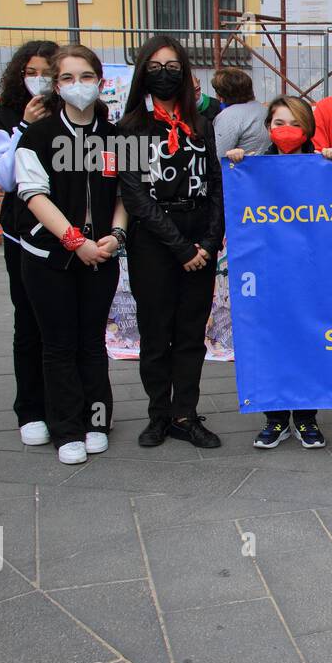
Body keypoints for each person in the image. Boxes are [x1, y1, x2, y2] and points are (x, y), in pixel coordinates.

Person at [13, 44, 127, 465]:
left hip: (102, 255)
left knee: (93, 342)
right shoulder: (37, 136)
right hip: (49, 257)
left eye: (85, 77)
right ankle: (66, 429)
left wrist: (116, 235)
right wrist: (75, 242)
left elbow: (123, 195)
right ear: (55, 85)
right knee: (58, 344)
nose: (77, 86)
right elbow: (33, 194)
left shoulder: (114, 137)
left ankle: (96, 418)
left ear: (99, 82)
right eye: (67, 78)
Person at [118, 35, 226, 450]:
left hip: (199, 234)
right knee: (155, 331)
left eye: (173, 67)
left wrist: (210, 241)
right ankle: (158, 414)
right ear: (143, 73)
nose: (165, 74)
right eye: (156, 67)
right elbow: (134, 194)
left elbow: (216, 184)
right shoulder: (128, 127)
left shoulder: (203, 124)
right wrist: (180, 248)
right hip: (155, 243)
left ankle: (186, 413)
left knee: (189, 334)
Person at [233, 96, 332, 451]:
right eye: (278, 123)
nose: (286, 131)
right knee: (271, 342)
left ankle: (307, 418)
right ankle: (276, 418)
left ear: (308, 128)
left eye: (294, 123)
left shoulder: (321, 165)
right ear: (268, 128)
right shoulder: (254, 168)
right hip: (269, 274)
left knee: (308, 341)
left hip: (311, 273)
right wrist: (237, 165)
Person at [0, 38, 58, 448]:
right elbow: (4, 177)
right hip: (21, 232)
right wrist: (25, 128)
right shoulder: (7, 115)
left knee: (65, 324)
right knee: (28, 320)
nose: (39, 80)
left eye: (47, 73)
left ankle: (67, 404)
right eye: (30, 72)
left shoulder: (73, 112)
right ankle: (30, 409)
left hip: (66, 233)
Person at [211, 67, 271, 159]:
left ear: (221, 94)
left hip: (243, 170)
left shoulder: (227, 117)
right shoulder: (265, 110)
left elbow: (220, 157)